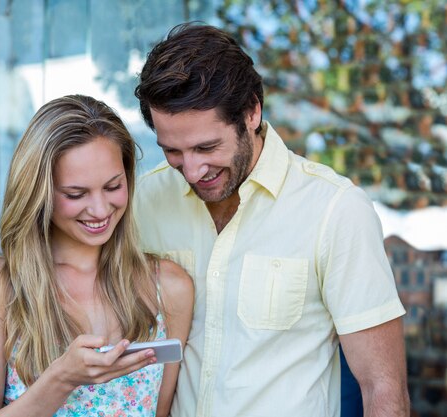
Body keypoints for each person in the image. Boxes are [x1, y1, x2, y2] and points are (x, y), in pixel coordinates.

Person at [133, 23, 409, 417]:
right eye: (173, 151)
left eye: (206, 147)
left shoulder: (335, 210)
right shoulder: (143, 203)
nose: (192, 171)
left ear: (251, 112)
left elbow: (383, 389)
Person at [0, 95, 194, 417]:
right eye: (76, 194)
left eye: (113, 187)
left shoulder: (168, 286)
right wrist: (62, 378)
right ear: (39, 192)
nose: (99, 210)